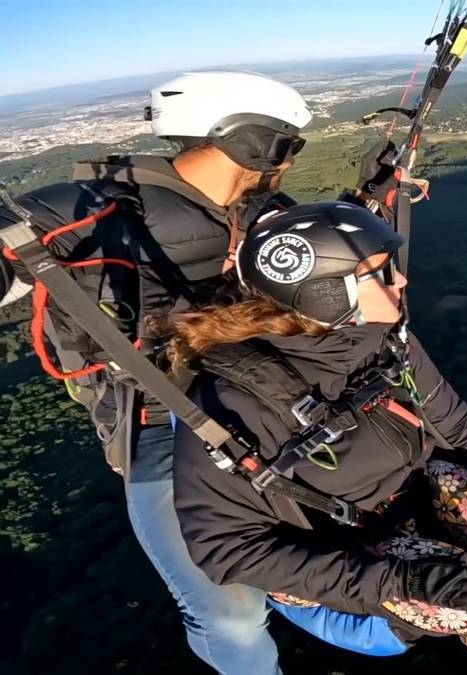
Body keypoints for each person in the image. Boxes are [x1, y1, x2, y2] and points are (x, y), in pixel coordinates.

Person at [168, 201, 467, 674]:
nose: (401, 281)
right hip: (341, 551)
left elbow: (456, 423)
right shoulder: (232, 404)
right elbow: (224, 548)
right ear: (327, 295)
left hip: (409, 498)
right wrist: (399, 580)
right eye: (381, 273)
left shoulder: (387, 341)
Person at [0, 70, 320, 674]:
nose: (288, 162)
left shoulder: (265, 212)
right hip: (158, 427)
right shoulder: (91, 214)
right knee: (231, 616)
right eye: (286, 145)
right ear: (251, 141)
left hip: (265, 409)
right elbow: (17, 258)